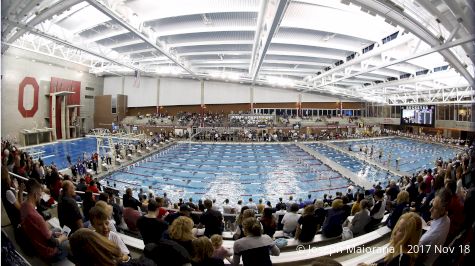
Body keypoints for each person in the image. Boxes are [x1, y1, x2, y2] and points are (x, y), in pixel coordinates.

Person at [20, 179, 69, 262]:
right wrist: (62, 238)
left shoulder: (23, 206)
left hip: (37, 243)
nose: (41, 196)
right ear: (35, 194)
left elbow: (39, 231)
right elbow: (53, 243)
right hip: (50, 254)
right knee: (69, 245)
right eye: (40, 194)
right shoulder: (37, 217)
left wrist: (52, 234)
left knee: (56, 230)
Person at [418, 188, 451, 266]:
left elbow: (417, 256)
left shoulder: (427, 238)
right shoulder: (447, 219)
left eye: (435, 208)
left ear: (443, 210)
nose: (430, 210)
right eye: (432, 205)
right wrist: (432, 222)